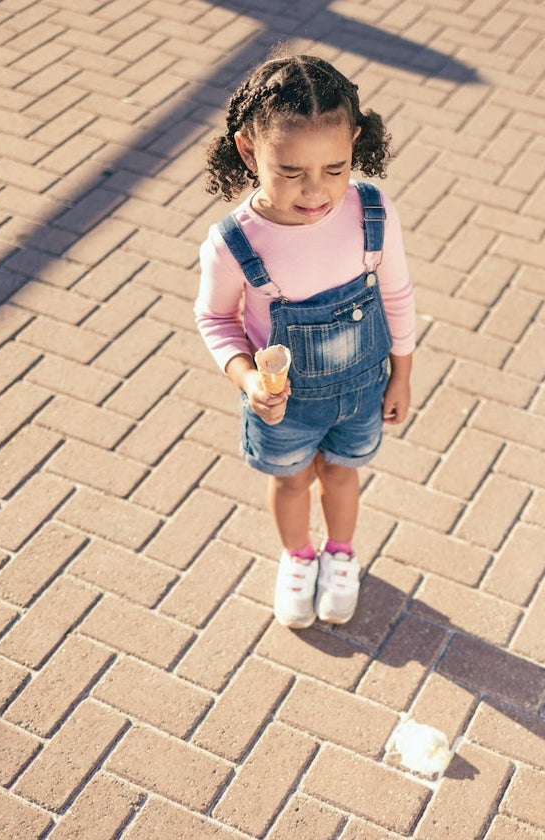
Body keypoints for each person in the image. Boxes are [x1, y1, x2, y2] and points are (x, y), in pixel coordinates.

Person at [195, 53, 416, 629]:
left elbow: (396, 296)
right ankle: (298, 558)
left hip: (362, 390)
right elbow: (216, 320)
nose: (316, 190)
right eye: (291, 171)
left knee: (342, 473)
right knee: (291, 482)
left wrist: (404, 374)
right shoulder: (234, 242)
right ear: (249, 151)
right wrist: (248, 381)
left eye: (335, 168)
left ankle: (341, 556)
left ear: (356, 144)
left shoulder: (371, 211)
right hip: (284, 404)